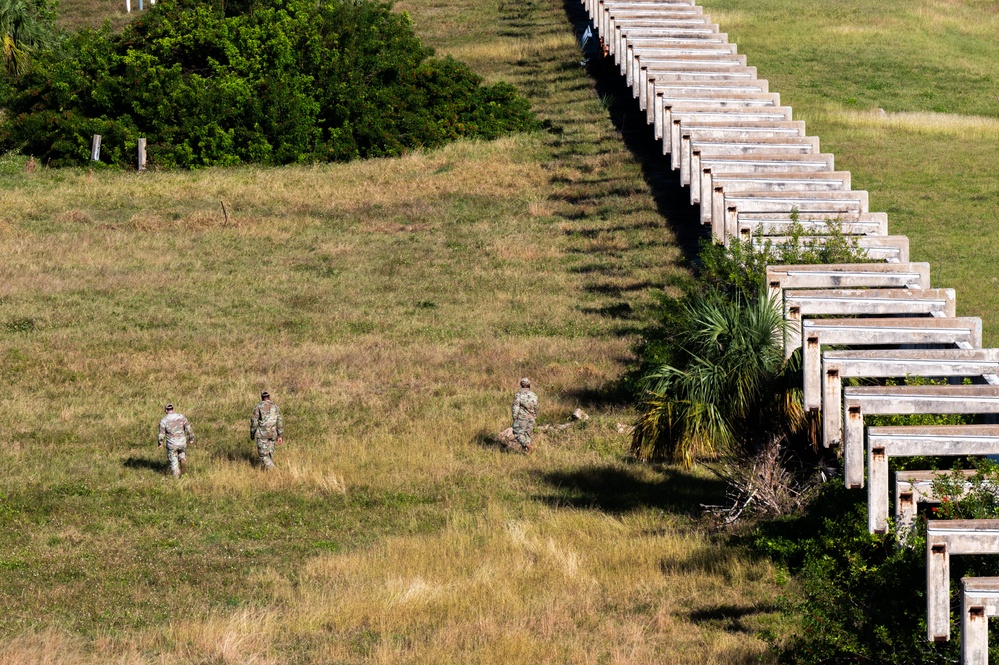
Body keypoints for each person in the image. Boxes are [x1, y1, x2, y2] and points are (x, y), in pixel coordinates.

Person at [158, 404, 194, 478]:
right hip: (182, 442)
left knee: (173, 461)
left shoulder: (164, 420)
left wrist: (160, 443)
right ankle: (182, 460)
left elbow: (161, 434)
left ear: (165, 410)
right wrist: (191, 439)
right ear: (173, 409)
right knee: (182, 452)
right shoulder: (181, 417)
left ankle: (176, 478)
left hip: (172, 443)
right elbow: (188, 429)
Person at [250, 390, 283, 470]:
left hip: (262, 434)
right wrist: (280, 435)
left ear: (262, 397)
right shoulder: (275, 406)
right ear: (269, 396)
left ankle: (274, 471)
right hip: (273, 434)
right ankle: (268, 474)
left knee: (263, 455)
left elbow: (254, 422)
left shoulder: (258, 407)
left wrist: (252, 433)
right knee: (270, 454)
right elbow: (279, 421)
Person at [511, 378, 538, 453]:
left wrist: (514, 417)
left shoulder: (518, 395)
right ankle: (527, 452)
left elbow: (516, 407)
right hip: (531, 417)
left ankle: (528, 446)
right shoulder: (534, 395)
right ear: (529, 385)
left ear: (521, 385)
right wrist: (535, 416)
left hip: (521, 417)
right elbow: (536, 407)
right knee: (527, 434)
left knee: (517, 433)